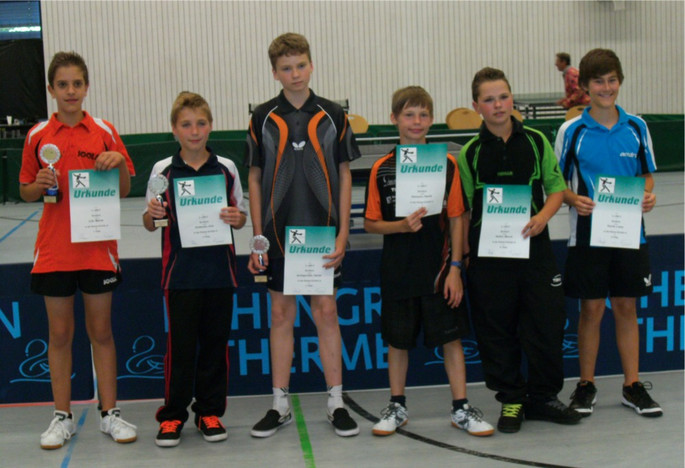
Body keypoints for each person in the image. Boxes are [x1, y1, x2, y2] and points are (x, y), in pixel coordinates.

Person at [19, 51, 137, 449]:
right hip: (54, 251)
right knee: (60, 334)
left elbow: (124, 189)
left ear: (86, 87)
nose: (71, 91)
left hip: (97, 250)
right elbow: (25, 190)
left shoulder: (104, 130)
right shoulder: (37, 135)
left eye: (77, 84)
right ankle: (62, 417)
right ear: (51, 89)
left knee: (101, 332)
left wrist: (117, 161)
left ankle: (110, 414)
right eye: (63, 85)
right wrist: (39, 183)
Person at [245, 32, 360, 438]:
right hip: (278, 235)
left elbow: (345, 174)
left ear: (311, 65)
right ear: (274, 72)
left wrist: (343, 233)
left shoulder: (333, 114)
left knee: (326, 312)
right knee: (281, 315)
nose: (294, 74)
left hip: (321, 233)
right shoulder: (262, 116)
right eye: (286, 68)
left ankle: (336, 401)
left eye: (300, 65)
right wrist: (258, 238)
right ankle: (279, 404)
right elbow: (254, 177)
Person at [363, 86, 494, 437]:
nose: (416, 121)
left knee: (452, 341)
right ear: (394, 119)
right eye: (409, 115)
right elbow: (371, 223)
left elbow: (457, 217)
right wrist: (400, 226)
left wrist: (455, 269)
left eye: (423, 115)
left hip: (439, 270)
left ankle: (461, 408)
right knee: (397, 343)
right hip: (398, 270)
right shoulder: (381, 168)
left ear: (432, 120)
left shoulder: (447, 164)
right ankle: (397, 406)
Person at [458, 67, 582, 434]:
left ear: (512, 99)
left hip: (535, 251)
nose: (498, 105)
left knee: (546, 324)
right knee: (496, 329)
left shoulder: (537, 141)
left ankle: (543, 397)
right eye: (489, 99)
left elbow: (556, 189)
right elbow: (462, 210)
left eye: (503, 97)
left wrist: (542, 217)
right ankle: (511, 399)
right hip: (489, 258)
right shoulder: (469, 153)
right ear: (476, 106)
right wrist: (463, 257)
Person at [555, 48, 661, 418]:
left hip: (630, 234)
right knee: (592, 308)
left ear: (620, 81)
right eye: (598, 81)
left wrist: (647, 194)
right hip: (587, 235)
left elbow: (647, 175)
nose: (606, 87)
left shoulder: (637, 127)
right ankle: (586, 385)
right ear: (585, 86)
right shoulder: (572, 130)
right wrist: (573, 199)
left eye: (612, 80)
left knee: (627, 306)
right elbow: (555, 183)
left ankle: (633, 385)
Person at [143, 92, 248, 447]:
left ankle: (209, 412)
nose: (194, 131)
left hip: (220, 273)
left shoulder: (226, 168)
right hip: (181, 275)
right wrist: (152, 215)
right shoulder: (162, 170)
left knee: (215, 346)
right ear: (174, 129)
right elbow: (149, 221)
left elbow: (240, 214)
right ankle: (172, 415)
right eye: (186, 124)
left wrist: (237, 218)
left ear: (211, 126)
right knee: (181, 349)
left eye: (201, 123)